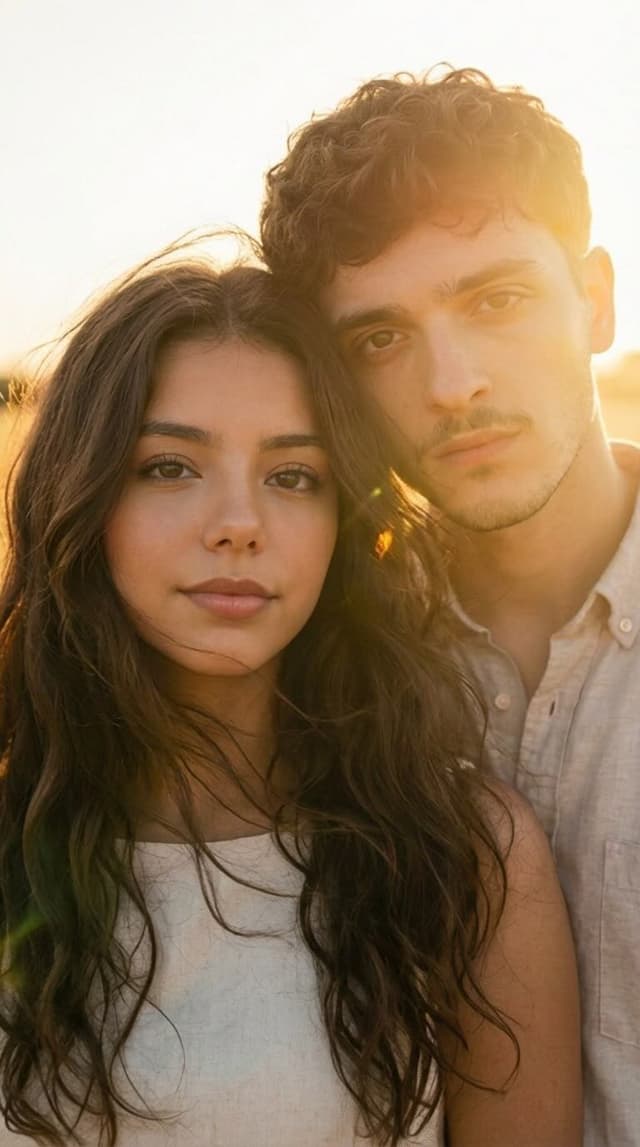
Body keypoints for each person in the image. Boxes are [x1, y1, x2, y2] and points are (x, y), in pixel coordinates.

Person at [0, 251, 580, 1145]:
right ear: (84, 491)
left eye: (292, 476)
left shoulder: (462, 857)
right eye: (168, 466)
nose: (239, 522)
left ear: (344, 521)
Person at [260, 65, 639, 1147]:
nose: (452, 381)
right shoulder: (311, 673)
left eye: (497, 298)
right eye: (378, 338)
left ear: (596, 298)